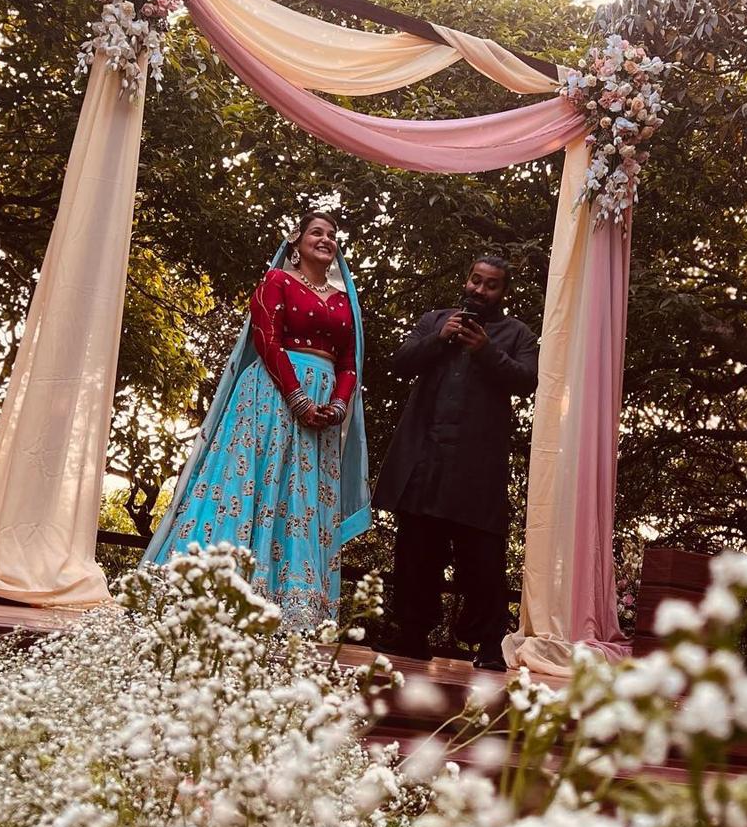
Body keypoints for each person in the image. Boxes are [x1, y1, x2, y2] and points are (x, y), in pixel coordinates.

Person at [142, 211, 370, 630]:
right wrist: (297, 397)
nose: (326, 240)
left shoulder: (343, 304)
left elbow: (349, 363)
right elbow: (266, 338)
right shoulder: (276, 282)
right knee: (255, 482)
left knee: (299, 496)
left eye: (332, 235)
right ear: (296, 244)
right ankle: (213, 590)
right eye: (316, 233)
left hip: (321, 410)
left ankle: (291, 608)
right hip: (269, 397)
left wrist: (337, 407)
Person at [373, 254, 538, 669]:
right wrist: (438, 338)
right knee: (415, 553)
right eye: (475, 280)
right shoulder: (435, 320)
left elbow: (528, 381)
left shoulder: (517, 334)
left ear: (504, 292)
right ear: (466, 281)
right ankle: (411, 636)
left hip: (477, 468)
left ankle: (488, 646)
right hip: (425, 459)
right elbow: (400, 362)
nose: (479, 290)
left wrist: (486, 351)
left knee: (482, 559)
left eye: (491, 284)